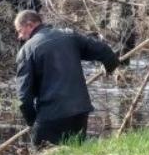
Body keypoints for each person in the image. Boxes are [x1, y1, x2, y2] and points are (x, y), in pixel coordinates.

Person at [14, 10, 119, 145]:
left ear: (29, 25)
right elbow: (104, 50)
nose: (19, 36)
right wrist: (110, 67)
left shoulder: (27, 50)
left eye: (19, 31)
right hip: (80, 112)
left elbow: (24, 97)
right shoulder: (69, 36)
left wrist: (33, 122)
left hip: (51, 115)